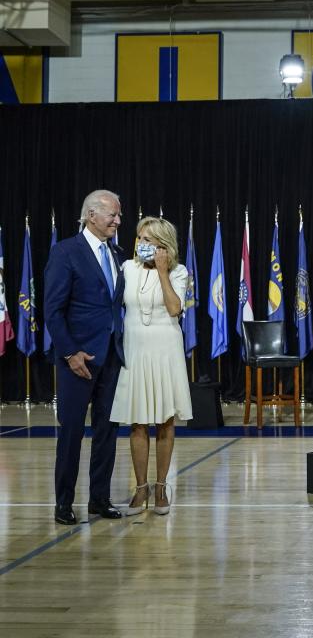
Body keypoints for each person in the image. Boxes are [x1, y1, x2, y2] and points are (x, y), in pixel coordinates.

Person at [44, 190, 125, 525]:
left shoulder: (119, 254)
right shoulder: (66, 252)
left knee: (107, 431)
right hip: (77, 359)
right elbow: (52, 309)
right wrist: (70, 352)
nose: (118, 221)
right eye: (113, 215)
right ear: (92, 215)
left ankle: (99, 499)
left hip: (112, 358)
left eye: (119, 216)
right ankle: (64, 502)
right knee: (72, 432)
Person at [110, 216, 192, 516]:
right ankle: (140, 488)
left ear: (163, 245)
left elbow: (174, 308)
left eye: (148, 240)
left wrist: (161, 272)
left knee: (165, 421)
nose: (141, 245)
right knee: (138, 422)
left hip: (165, 351)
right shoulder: (127, 269)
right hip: (135, 350)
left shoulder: (179, 272)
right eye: (139, 239)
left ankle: (161, 487)